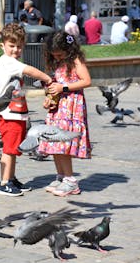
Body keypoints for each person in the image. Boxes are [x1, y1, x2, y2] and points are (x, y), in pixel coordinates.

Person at [0, 23, 53, 196]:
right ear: (2, 45)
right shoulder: (7, 62)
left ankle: (11, 179)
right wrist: (47, 79)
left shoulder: (12, 61)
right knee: (9, 149)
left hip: (16, 114)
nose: (15, 50)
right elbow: (30, 70)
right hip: (8, 115)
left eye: (19, 46)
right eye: (11, 46)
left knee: (14, 148)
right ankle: (4, 183)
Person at [38, 31, 92, 197]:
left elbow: (87, 81)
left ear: (68, 49)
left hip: (71, 109)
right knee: (55, 144)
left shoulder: (75, 60)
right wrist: (50, 97)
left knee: (63, 145)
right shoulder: (59, 63)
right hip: (59, 108)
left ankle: (70, 181)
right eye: (54, 54)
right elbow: (57, 84)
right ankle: (61, 176)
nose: (57, 57)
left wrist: (64, 88)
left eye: (60, 54)